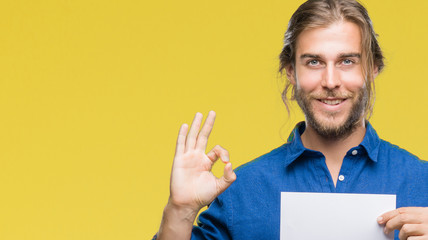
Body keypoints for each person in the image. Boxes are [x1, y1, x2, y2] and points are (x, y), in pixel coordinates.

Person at [154, 0, 428, 239]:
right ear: (290, 72)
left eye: (347, 61)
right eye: (313, 62)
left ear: (372, 69)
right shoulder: (243, 190)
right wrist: (180, 210)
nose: (330, 81)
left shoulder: (422, 181)